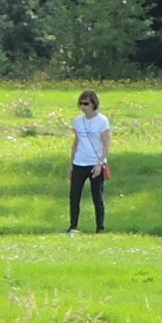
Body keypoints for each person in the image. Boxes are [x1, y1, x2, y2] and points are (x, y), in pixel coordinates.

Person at [65, 88, 112, 231]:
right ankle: (73, 226)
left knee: (97, 196)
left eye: (86, 103)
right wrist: (71, 164)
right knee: (74, 196)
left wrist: (100, 163)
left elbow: (106, 143)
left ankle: (100, 227)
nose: (83, 107)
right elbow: (76, 143)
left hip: (95, 163)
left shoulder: (102, 121)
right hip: (79, 162)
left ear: (93, 104)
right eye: (81, 103)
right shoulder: (78, 121)